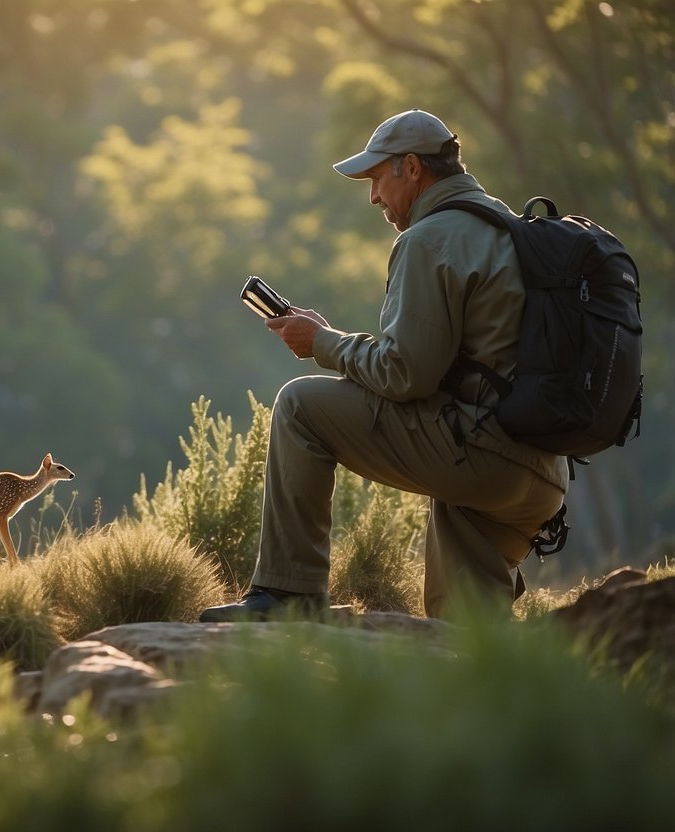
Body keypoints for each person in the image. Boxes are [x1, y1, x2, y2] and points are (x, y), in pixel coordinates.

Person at [199, 109, 568, 621]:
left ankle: (289, 598)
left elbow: (405, 373)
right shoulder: (505, 224)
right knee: (467, 639)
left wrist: (322, 344)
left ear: (412, 169)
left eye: (376, 177)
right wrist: (330, 338)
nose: (373, 195)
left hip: (484, 459)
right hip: (544, 473)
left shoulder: (428, 238)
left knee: (300, 406)